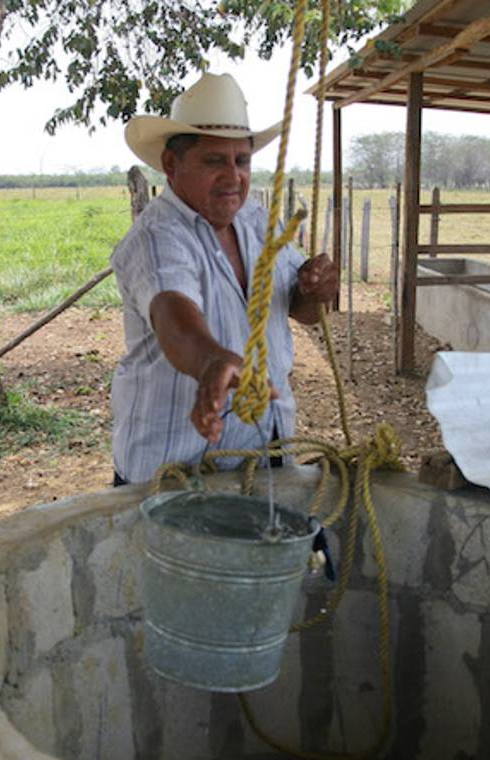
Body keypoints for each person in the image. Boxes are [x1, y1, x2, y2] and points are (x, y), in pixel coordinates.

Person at [110, 73, 339, 486]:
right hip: (174, 477)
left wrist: (316, 289)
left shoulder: (257, 221)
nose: (233, 176)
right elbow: (173, 315)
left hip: (264, 461)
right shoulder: (158, 236)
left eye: (242, 161)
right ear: (171, 165)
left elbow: (301, 309)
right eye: (214, 161)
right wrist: (211, 362)